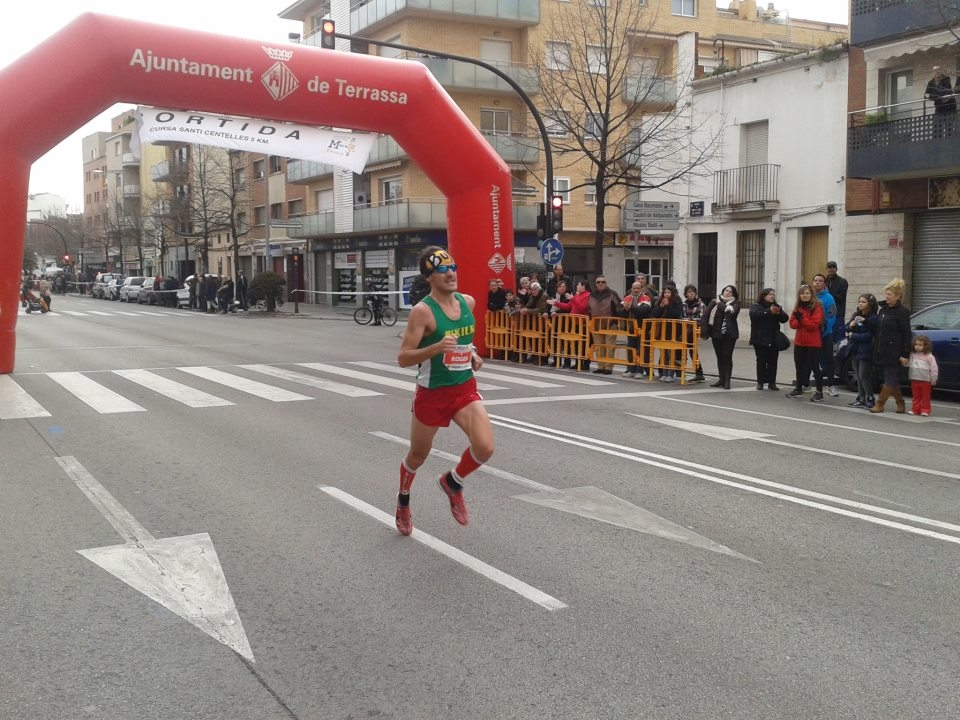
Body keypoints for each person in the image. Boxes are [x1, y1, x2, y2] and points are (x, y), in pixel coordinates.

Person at [394, 246, 493, 536]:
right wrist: (436, 348)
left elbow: (463, 341)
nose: (450, 273)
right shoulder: (422, 312)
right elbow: (403, 358)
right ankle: (403, 500)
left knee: (485, 447)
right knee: (417, 456)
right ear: (429, 277)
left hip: (463, 389)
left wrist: (472, 354)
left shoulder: (468, 303)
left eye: (453, 268)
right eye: (441, 269)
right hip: (432, 392)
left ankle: (453, 481)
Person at [870, 278, 912, 414]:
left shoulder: (903, 312)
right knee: (891, 378)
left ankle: (880, 403)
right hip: (881, 349)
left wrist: (905, 354)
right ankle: (900, 403)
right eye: (886, 294)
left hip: (894, 351)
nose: (886, 297)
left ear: (898, 296)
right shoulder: (883, 310)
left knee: (889, 378)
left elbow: (907, 333)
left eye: (890, 294)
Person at [785, 284, 825, 401]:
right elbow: (792, 324)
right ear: (799, 295)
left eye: (807, 293)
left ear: (811, 294)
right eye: (802, 293)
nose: (805, 295)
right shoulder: (798, 307)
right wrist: (799, 320)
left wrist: (802, 319)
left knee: (814, 367)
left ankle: (819, 391)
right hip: (799, 342)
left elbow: (813, 325)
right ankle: (798, 389)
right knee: (799, 366)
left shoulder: (817, 306)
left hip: (813, 343)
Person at [749, 287, 788, 391]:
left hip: (773, 338)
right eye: (770, 294)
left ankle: (772, 382)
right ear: (764, 295)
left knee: (773, 361)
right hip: (760, 338)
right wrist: (768, 311)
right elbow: (755, 316)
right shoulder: (756, 306)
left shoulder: (776, 306)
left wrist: (779, 312)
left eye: (773, 294)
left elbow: (785, 319)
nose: (772, 296)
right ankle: (760, 382)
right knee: (761, 361)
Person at [702, 284, 740, 389]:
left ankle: (727, 380)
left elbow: (731, 313)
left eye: (730, 292)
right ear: (723, 291)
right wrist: (704, 332)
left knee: (727, 357)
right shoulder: (715, 301)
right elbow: (706, 315)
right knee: (720, 357)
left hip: (729, 335)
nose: (727, 293)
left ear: (733, 294)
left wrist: (721, 305)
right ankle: (721, 379)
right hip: (716, 333)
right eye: (726, 290)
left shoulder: (735, 303)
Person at [845, 294, 879, 409]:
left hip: (866, 349)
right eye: (859, 301)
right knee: (857, 375)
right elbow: (846, 329)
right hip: (855, 349)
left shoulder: (873, 318)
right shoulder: (856, 315)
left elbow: (869, 336)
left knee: (864, 375)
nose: (860, 304)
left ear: (870, 304)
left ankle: (870, 398)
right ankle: (860, 398)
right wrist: (850, 326)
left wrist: (853, 335)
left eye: (863, 302)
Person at [812, 273, 839, 396]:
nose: (817, 282)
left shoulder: (829, 298)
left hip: (825, 334)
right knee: (812, 360)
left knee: (828, 360)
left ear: (824, 283)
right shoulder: (809, 297)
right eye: (815, 280)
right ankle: (809, 386)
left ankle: (831, 385)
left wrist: (823, 330)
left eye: (820, 281)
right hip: (812, 335)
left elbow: (832, 316)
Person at [588, 275, 622, 375]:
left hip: (610, 324)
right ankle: (601, 366)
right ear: (595, 284)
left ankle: (608, 367)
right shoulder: (592, 295)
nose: (600, 284)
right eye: (598, 282)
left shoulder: (612, 294)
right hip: (596, 325)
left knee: (609, 346)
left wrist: (617, 322)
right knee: (599, 347)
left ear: (606, 283)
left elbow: (619, 308)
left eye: (602, 282)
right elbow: (589, 309)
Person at [621, 281, 654, 378]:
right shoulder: (627, 298)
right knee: (631, 349)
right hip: (631, 328)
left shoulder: (646, 298)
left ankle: (640, 370)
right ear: (631, 289)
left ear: (641, 289)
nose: (636, 290)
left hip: (642, 328)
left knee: (641, 350)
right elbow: (620, 311)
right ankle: (631, 369)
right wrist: (625, 309)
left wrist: (630, 307)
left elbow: (643, 311)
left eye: (638, 288)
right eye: (634, 288)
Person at [907, 334, 938, 416]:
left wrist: (933, 379)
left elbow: (934, 368)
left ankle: (925, 410)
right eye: (916, 344)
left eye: (920, 345)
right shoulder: (912, 355)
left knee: (925, 396)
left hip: (925, 380)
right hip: (914, 379)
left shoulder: (929, 356)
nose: (917, 347)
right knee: (916, 396)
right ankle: (915, 409)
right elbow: (908, 364)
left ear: (926, 346)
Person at [681, 284, 707, 383]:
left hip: (694, 330)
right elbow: (682, 317)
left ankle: (699, 373)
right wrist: (687, 321)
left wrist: (690, 321)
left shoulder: (701, 304)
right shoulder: (684, 304)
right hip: (686, 329)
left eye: (693, 292)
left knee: (692, 350)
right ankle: (699, 373)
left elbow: (701, 318)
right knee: (691, 351)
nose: (691, 294)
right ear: (686, 294)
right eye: (689, 292)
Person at [926, 66, 956, 136]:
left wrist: (933, 96)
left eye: (938, 70)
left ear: (941, 71)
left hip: (948, 105)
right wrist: (936, 96)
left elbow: (944, 91)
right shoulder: (931, 82)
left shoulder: (946, 79)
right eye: (935, 71)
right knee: (937, 127)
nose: (937, 72)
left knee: (949, 126)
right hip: (939, 106)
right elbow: (926, 95)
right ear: (932, 73)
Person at [824, 261, 848, 330]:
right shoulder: (823, 281)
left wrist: (828, 293)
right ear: (826, 269)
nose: (831, 269)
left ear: (836, 269)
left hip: (838, 315)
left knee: (838, 339)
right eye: (829, 267)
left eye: (833, 267)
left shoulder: (842, 281)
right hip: (825, 315)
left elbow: (841, 298)